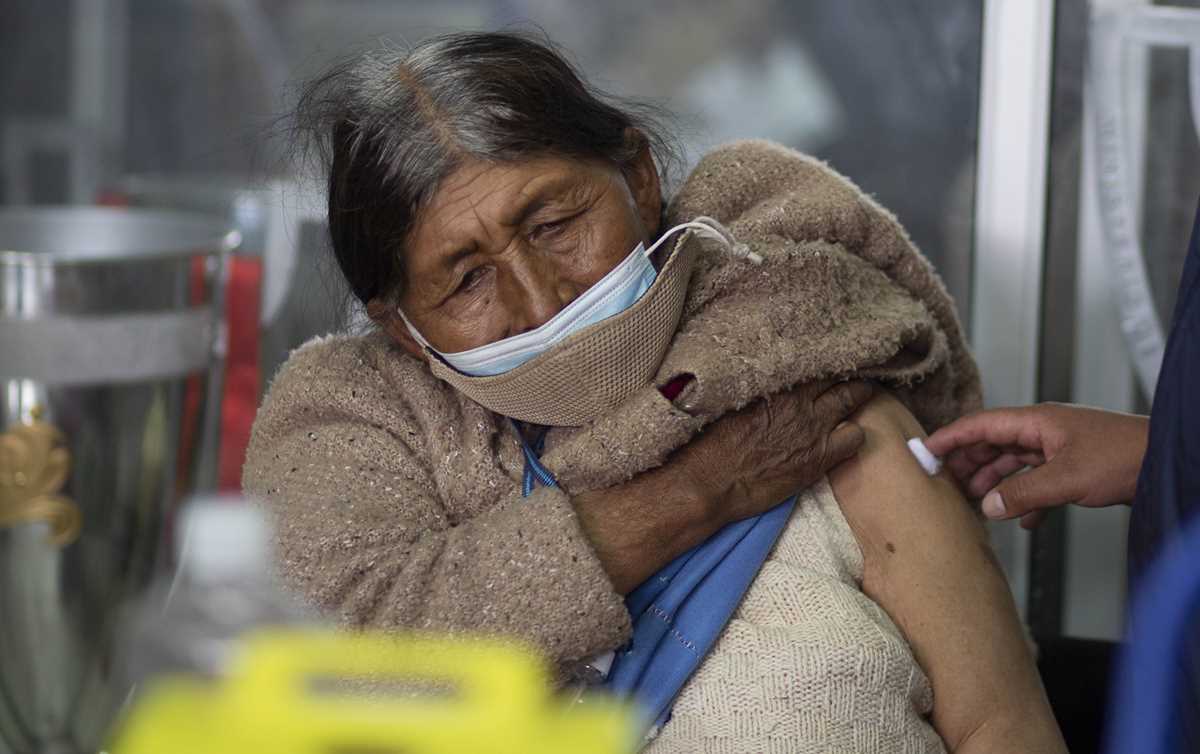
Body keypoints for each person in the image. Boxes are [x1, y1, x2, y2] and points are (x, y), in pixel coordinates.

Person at [244, 31, 1065, 752]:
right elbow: (335, 675)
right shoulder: (354, 431)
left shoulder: (820, 408)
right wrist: (693, 495)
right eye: (466, 280)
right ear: (400, 327)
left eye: (554, 226)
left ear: (638, 178)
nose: (542, 300)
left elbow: (1003, 727)